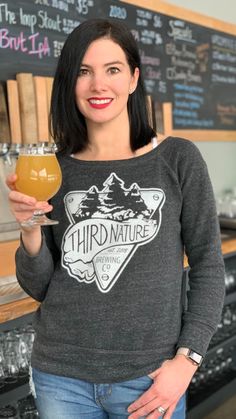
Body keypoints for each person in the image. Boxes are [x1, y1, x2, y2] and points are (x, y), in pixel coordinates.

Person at [7, 18, 225, 419]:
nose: (97, 85)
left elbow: (209, 267)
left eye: (112, 70)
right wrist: (29, 229)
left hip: (151, 377)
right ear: (69, 83)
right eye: (83, 72)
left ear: (133, 78)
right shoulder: (54, 170)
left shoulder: (177, 159)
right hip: (61, 375)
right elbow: (40, 287)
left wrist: (187, 360)